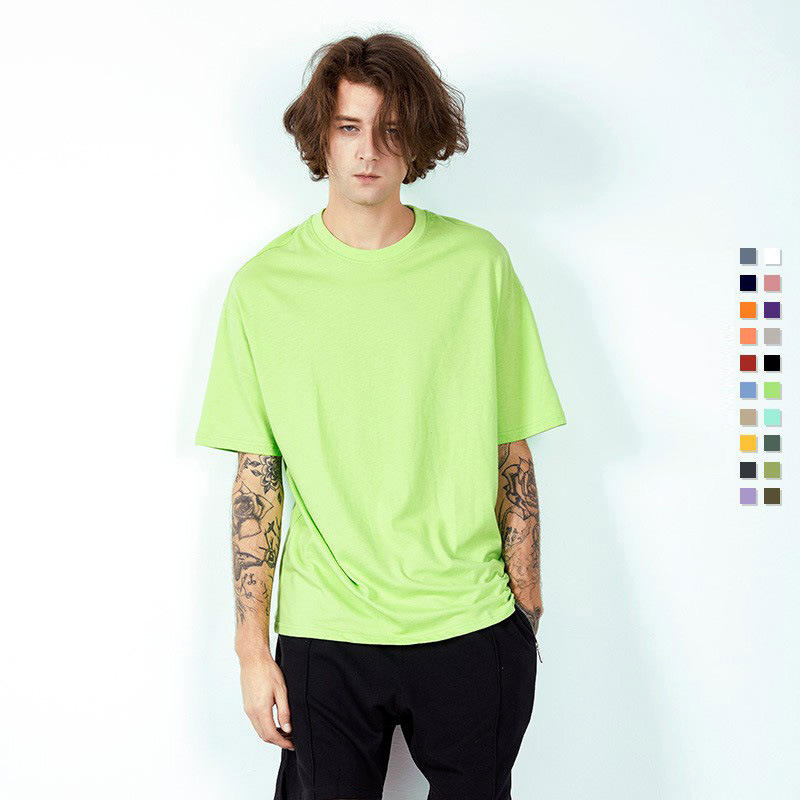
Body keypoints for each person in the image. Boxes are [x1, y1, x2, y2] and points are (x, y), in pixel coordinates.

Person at [195, 31, 566, 800]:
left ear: (418, 137)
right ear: (321, 137)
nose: (369, 151)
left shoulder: (479, 266)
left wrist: (525, 613)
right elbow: (257, 478)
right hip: (326, 630)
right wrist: (251, 650)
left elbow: (513, 449)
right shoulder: (263, 288)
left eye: (391, 129)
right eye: (349, 127)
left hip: (469, 621)